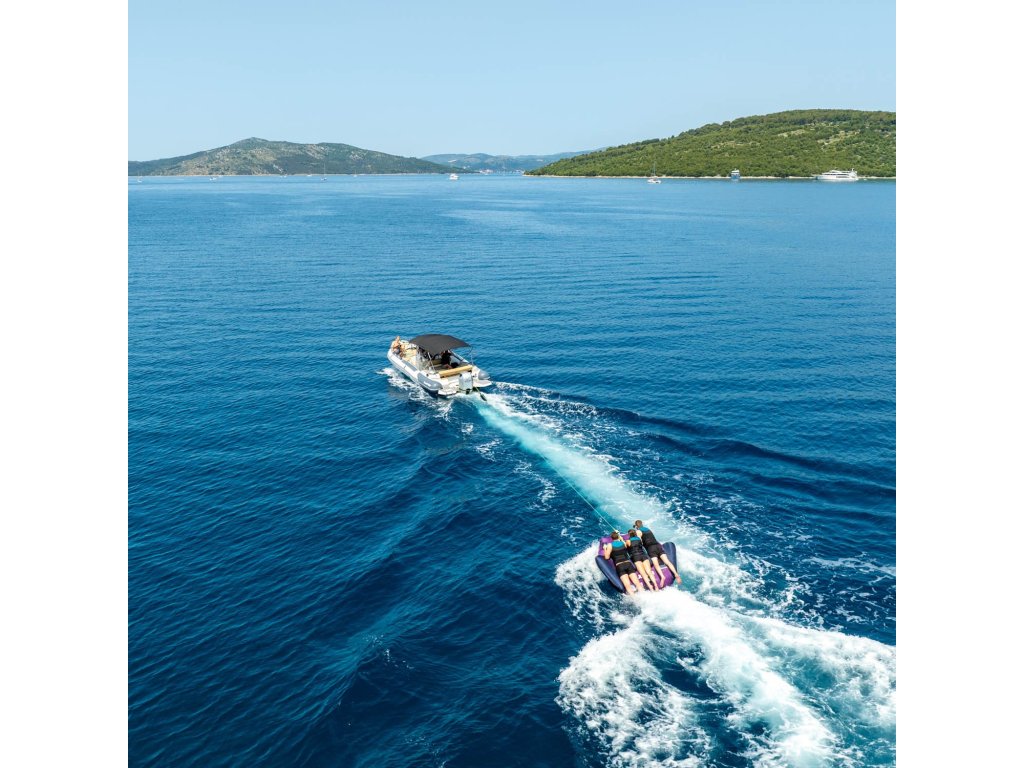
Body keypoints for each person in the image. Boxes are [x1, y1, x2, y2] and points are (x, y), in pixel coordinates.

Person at [633, 520, 681, 586]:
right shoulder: (647, 529)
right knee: (667, 562)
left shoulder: (638, 531)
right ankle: (676, 574)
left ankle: (662, 577)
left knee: (656, 564)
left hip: (651, 548)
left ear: (636, 526)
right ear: (642, 524)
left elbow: (639, 540)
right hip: (658, 546)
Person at [602, 530, 644, 594]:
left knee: (627, 586)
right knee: (637, 583)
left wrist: (605, 548)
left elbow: (607, 557)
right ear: (618, 537)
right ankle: (643, 594)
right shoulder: (623, 543)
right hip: (628, 564)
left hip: (620, 566)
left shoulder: (610, 545)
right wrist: (620, 538)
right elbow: (624, 544)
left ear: (612, 538)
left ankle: (634, 597)